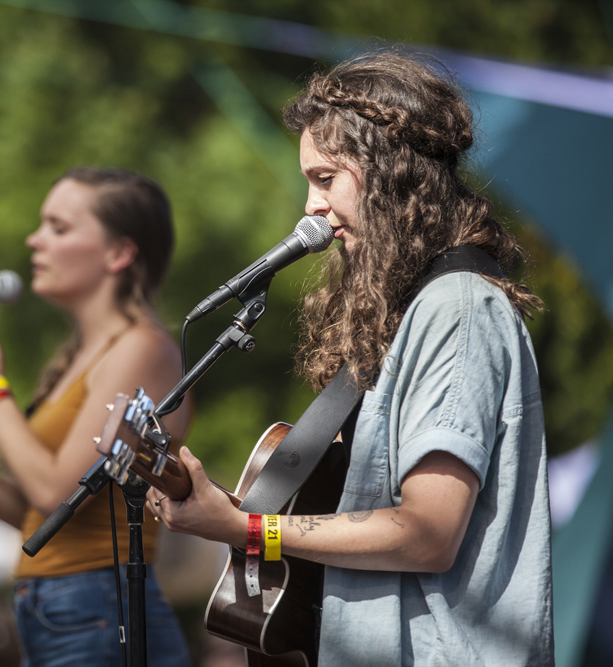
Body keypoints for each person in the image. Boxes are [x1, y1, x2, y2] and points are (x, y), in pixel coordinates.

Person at [147, 50, 554, 666]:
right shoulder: (418, 309)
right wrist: (228, 513)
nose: (310, 205)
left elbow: (427, 534)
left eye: (325, 178)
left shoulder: (459, 309)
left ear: (391, 172)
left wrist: (250, 530)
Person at [0, 167, 193, 666]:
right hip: (59, 609)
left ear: (119, 254)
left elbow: (53, 492)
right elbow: (35, 513)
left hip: (99, 610)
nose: (34, 239)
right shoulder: (78, 356)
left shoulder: (142, 348)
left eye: (58, 228)